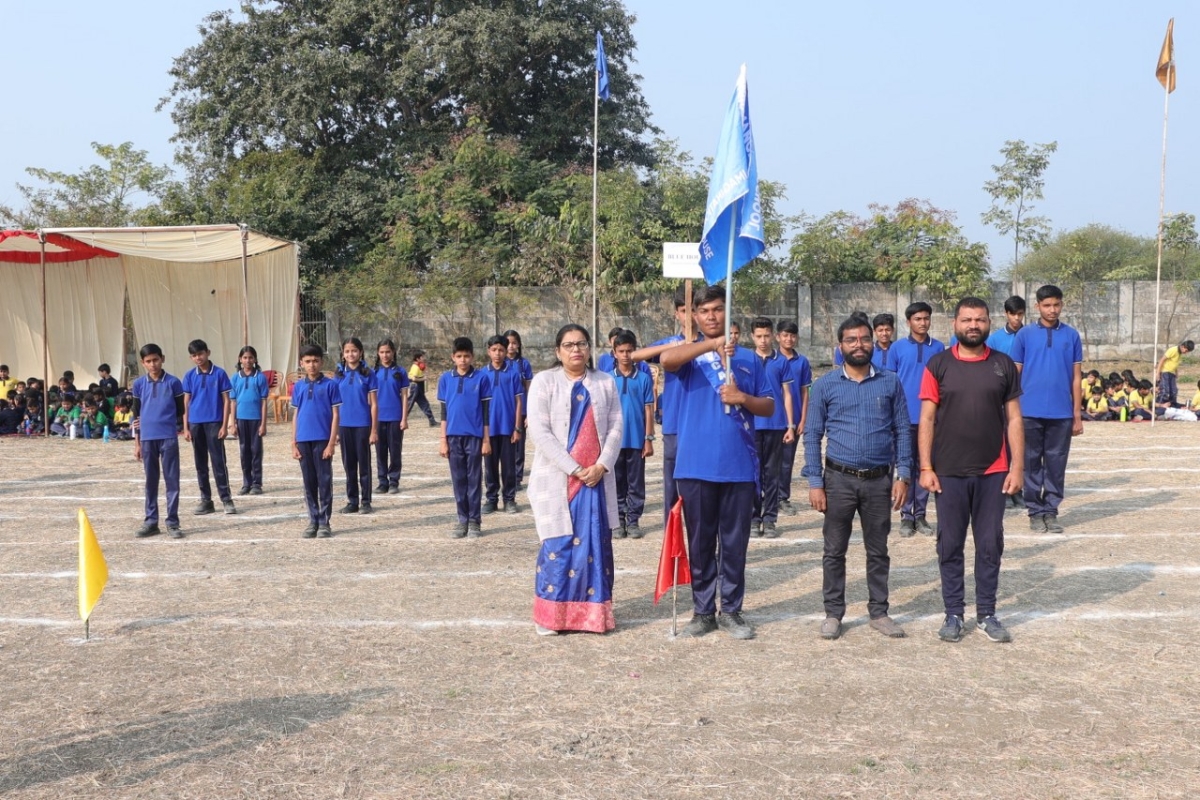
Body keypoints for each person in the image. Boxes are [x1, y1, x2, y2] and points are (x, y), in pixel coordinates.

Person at [661, 285, 775, 640]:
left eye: (717, 309)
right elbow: (667, 361)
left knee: (735, 544)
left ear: (728, 311)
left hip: (738, 466)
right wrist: (710, 346)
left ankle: (732, 610)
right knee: (700, 543)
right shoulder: (690, 356)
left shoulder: (749, 359)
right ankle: (702, 611)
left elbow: (769, 405)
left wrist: (742, 397)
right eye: (704, 310)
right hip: (694, 465)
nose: (711, 315)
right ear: (694, 316)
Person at [918, 297, 1024, 643]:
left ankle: (987, 613)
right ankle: (953, 613)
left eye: (979, 319)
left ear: (989, 323)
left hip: (993, 470)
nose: (973, 325)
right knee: (949, 544)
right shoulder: (938, 364)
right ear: (955, 324)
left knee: (990, 544)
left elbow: (1014, 418)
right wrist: (926, 466)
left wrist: (1017, 467)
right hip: (948, 471)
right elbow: (927, 419)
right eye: (967, 320)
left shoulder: (1003, 365)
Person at [804, 316, 911, 640]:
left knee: (878, 551)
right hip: (838, 481)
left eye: (864, 339)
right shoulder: (825, 385)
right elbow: (812, 435)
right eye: (851, 340)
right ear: (840, 346)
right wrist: (815, 483)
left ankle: (879, 612)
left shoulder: (890, 382)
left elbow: (902, 430)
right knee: (834, 551)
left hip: (879, 481)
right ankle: (833, 613)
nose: (859, 345)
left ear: (873, 342)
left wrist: (903, 475)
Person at [526, 323, 623, 635]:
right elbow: (539, 431)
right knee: (558, 545)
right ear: (558, 351)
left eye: (581, 343)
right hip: (560, 480)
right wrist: (575, 468)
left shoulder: (605, 382)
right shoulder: (544, 382)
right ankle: (550, 618)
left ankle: (592, 617)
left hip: (595, 481)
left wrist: (601, 465)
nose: (576, 350)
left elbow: (616, 427)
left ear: (589, 348)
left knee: (595, 546)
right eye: (568, 345)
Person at [1009, 285, 1083, 534]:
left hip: (1061, 413)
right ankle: (1035, 511)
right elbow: (1015, 374)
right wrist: (1012, 410)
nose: (1052, 310)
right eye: (1047, 305)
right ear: (1037, 306)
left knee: (1056, 463)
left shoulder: (1071, 335)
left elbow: (1076, 377)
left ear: (1062, 305)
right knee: (1030, 463)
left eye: (1056, 305)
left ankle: (1051, 511)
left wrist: (1077, 414)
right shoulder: (1025, 335)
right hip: (1028, 411)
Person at [630, 285, 692, 526]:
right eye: (684, 311)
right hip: (674, 422)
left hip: (700, 423)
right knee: (671, 485)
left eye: (693, 310)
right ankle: (670, 533)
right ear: (677, 314)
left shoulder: (709, 345)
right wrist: (675, 347)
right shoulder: (671, 342)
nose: (689, 316)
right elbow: (637, 356)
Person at [890, 301, 945, 536]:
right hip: (903, 419)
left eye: (926, 318)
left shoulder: (939, 347)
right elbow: (891, 384)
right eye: (917, 319)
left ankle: (920, 515)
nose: (923, 323)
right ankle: (906, 514)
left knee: (925, 465)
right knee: (905, 465)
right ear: (908, 322)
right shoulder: (897, 348)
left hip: (929, 419)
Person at [437, 337, 493, 538]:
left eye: (466, 356)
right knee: (458, 480)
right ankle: (462, 520)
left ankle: (474, 520)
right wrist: (443, 440)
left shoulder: (481, 378)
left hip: (474, 437)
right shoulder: (445, 379)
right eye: (459, 356)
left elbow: (485, 412)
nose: (463, 360)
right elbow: (444, 412)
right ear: (453, 357)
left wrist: (486, 440)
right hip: (453, 437)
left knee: (474, 479)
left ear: (472, 357)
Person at [131, 344, 186, 538]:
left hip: (168, 437)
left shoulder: (174, 383)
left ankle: (173, 522)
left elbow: (180, 410)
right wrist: (137, 443)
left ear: (162, 358)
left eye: (155, 360)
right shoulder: (138, 384)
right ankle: (151, 521)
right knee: (151, 481)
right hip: (147, 439)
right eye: (148, 361)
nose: (152, 364)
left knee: (172, 480)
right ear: (142, 363)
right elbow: (136, 414)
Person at [749, 316, 795, 538]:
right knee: (753, 474)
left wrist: (790, 425)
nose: (763, 340)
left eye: (766, 335)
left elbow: (787, 395)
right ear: (752, 337)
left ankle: (769, 520)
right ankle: (753, 518)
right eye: (759, 336)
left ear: (772, 336)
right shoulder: (747, 360)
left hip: (776, 425)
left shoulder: (781, 361)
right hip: (752, 426)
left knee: (772, 474)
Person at [181, 339, 236, 515]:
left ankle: (226, 499)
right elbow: (186, 402)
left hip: (214, 423)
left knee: (219, 462)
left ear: (208, 353)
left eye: (200, 354)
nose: (198, 358)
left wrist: (225, 425)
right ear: (191, 357)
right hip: (195, 423)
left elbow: (226, 401)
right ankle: (206, 500)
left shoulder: (219, 373)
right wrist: (186, 427)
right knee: (200, 463)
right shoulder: (189, 376)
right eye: (194, 355)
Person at [292, 344, 341, 538]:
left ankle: (324, 522)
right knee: (309, 482)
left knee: (324, 481)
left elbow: (336, 415)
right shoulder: (298, 386)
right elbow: (296, 415)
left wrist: (331, 443)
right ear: (301, 363)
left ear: (321, 362)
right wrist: (293, 442)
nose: (311, 365)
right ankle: (313, 520)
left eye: (315, 361)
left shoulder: (331, 385)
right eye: (307, 361)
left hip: (322, 440)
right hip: (303, 440)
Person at [610, 330, 655, 538]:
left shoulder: (644, 378)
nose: (625, 355)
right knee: (616, 482)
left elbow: (648, 409)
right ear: (614, 353)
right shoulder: (608, 379)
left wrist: (648, 439)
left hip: (637, 440)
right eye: (621, 351)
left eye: (629, 351)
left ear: (634, 352)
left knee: (636, 483)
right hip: (614, 442)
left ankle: (634, 520)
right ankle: (618, 521)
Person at [334, 337, 378, 514]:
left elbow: (374, 404)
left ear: (360, 352)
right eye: (347, 351)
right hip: (344, 425)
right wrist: (335, 431)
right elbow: (334, 406)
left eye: (354, 351)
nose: (350, 354)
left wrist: (373, 430)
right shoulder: (338, 375)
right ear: (343, 353)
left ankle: (366, 501)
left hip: (363, 425)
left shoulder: (368, 373)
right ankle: (352, 501)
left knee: (364, 465)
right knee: (349, 465)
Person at [483, 334, 524, 515]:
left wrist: (517, 427)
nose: (498, 353)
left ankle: (509, 499)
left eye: (501, 350)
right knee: (490, 467)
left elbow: (518, 402)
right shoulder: (482, 374)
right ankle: (491, 499)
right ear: (488, 351)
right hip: (488, 429)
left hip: (508, 429)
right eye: (494, 350)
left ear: (506, 351)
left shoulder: (513, 373)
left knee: (509, 467)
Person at [776, 320, 812, 515]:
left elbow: (805, 392)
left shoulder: (802, 362)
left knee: (787, 461)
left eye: (792, 335)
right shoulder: (771, 359)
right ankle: (766, 496)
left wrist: (803, 419)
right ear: (778, 337)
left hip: (794, 418)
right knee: (768, 460)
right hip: (772, 419)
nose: (788, 339)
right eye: (785, 335)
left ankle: (783, 497)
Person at [229, 345, 270, 495]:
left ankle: (256, 483)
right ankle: (246, 482)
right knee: (244, 451)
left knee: (256, 451)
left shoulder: (260, 377)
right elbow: (233, 402)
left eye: (250, 357)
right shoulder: (235, 378)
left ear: (255, 359)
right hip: (241, 419)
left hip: (256, 419)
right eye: (245, 358)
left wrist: (263, 424)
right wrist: (232, 423)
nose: (247, 360)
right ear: (240, 359)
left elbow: (264, 402)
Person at [373, 339, 410, 495]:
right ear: (378, 353)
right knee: (380, 451)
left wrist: (404, 418)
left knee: (395, 451)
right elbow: (370, 398)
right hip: (378, 418)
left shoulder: (400, 372)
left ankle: (394, 481)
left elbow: (404, 396)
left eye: (388, 352)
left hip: (395, 417)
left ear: (393, 352)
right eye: (382, 352)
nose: (385, 355)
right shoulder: (373, 372)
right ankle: (382, 482)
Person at [503, 330, 534, 487]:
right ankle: (507, 477)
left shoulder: (524, 364)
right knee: (505, 445)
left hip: (520, 411)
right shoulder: (499, 364)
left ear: (519, 345)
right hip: (504, 411)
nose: (511, 346)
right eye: (508, 343)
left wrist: (529, 413)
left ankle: (517, 478)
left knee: (519, 447)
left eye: (514, 343)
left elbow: (529, 389)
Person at [1156, 339, 1195, 405]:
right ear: (1182, 346)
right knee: (1165, 391)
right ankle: (1159, 405)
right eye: (1186, 350)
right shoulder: (1173, 350)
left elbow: (1175, 363)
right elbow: (1162, 360)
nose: (1186, 352)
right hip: (1165, 372)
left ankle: (1172, 405)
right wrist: (1158, 373)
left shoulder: (1180, 353)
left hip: (1172, 373)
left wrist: (1176, 372)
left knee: (1174, 391)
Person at [406, 349, 438, 427]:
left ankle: (432, 421)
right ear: (418, 359)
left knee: (424, 404)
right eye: (422, 357)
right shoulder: (415, 367)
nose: (424, 358)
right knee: (409, 404)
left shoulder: (418, 366)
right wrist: (423, 379)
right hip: (415, 387)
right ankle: (401, 419)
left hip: (418, 387)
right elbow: (413, 379)